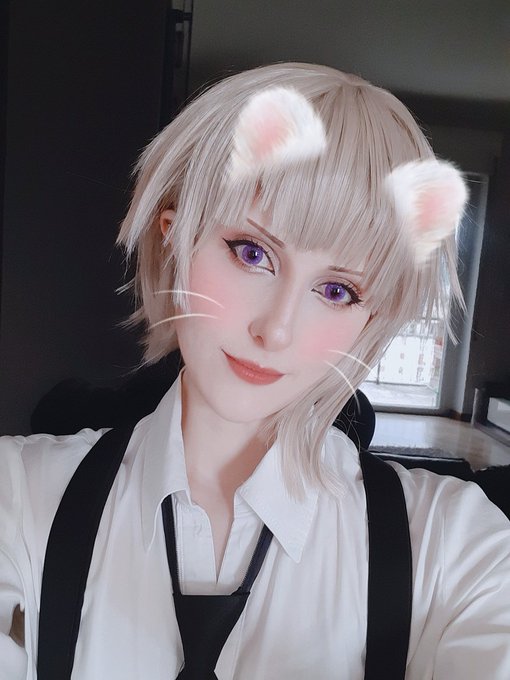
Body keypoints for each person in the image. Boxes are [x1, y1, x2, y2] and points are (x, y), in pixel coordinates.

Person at [1, 63, 509, 679]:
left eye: (338, 291)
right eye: (252, 253)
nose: (277, 330)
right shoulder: (19, 496)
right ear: (175, 238)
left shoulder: (453, 544)